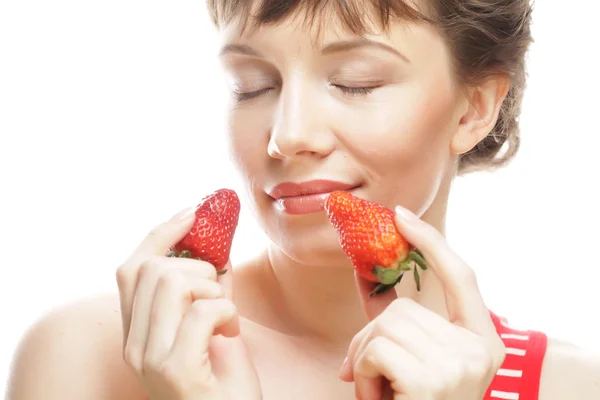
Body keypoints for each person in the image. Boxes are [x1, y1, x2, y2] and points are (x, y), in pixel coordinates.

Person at [6, 0, 600, 399]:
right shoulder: (88, 356)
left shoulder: (571, 387)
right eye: (253, 86)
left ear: (473, 109)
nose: (287, 134)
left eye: (355, 82)